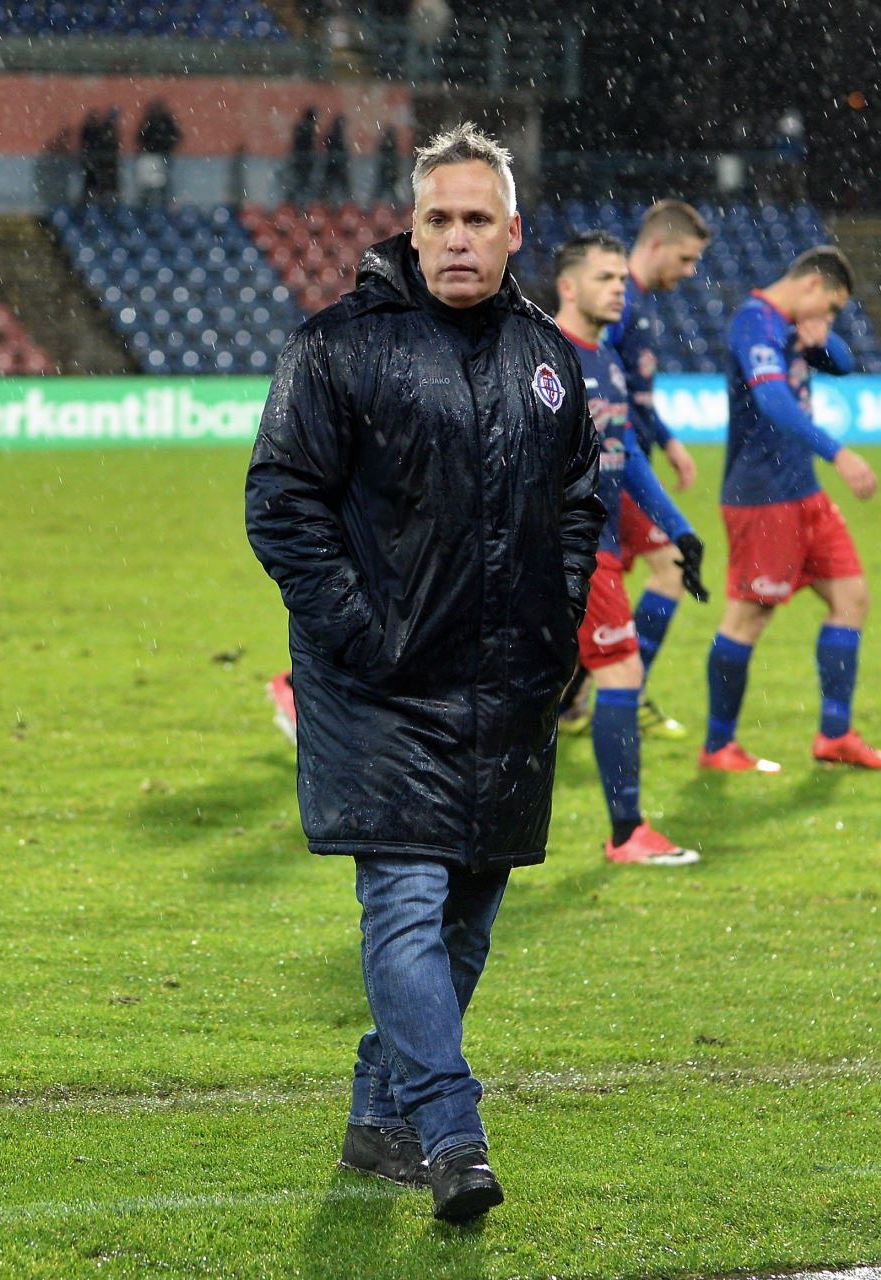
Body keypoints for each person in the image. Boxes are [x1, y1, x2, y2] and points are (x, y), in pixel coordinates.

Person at [247, 124, 602, 1222]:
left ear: (513, 232)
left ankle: (378, 1115)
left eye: (476, 220)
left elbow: (578, 502)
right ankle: (453, 1135)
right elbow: (281, 504)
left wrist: (555, 626)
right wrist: (366, 638)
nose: (456, 238)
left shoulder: (549, 360)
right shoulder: (337, 347)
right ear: (410, 226)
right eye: (438, 218)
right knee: (404, 905)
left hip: (507, 691)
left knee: (464, 928)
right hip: (382, 694)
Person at [701, 244, 881, 774]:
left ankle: (835, 735)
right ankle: (718, 746)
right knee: (749, 617)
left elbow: (845, 366)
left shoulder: (793, 326)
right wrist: (839, 453)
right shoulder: (755, 322)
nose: (829, 318)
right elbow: (773, 401)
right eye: (830, 308)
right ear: (811, 284)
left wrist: (823, 335)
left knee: (851, 598)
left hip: (803, 492)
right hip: (762, 496)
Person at [550, 232, 709, 866]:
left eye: (621, 278)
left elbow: (627, 452)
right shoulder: (546, 359)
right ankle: (626, 834)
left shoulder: (606, 359)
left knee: (541, 682)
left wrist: (679, 528)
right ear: (568, 286)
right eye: (604, 278)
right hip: (572, 547)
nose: (619, 289)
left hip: (604, 539)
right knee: (619, 671)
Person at [135, 99, 182, 208]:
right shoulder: (149, 123)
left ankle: (164, 205)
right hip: (151, 156)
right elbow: (141, 137)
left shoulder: (165, 122)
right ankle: (146, 206)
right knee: (147, 184)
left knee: (164, 183)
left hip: (163, 155)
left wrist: (164, 147)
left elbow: (175, 136)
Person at [287, 107, 318, 204]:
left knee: (299, 183)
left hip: (301, 160)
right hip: (303, 160)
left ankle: (296, 202)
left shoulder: (301, 127)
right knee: (301, 183)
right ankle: (297, 203)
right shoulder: (307, 128)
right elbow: (306, 144)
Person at [322, 114, 351, 204]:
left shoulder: (334, 133)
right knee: (339, 185)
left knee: (330, 185)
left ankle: (327, 201)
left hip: (334, 164)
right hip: (336, 164)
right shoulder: (336, 134)